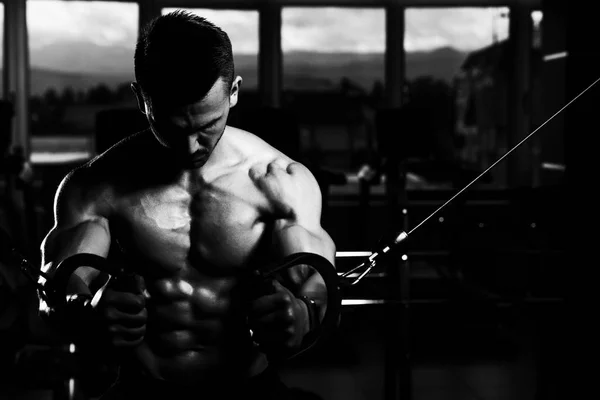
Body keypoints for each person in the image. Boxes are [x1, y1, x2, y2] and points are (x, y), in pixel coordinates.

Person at [37, 10, 336, 400]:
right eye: (173, 127)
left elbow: (320, 285)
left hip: (249, 387)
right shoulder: (95, 186)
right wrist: (85, 308)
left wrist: (303, 312)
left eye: (207, 125)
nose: (191, 147)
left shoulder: (279, 182)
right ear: (141, 98)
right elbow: (55, 290)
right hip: (145, 388)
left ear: (234, 91)